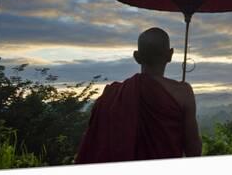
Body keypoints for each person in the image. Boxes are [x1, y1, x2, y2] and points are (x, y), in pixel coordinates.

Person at [75, 27, 202, 164]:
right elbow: (193, 151)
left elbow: (96, 144)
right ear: (170, 54)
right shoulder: (183, 92)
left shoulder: (112, 95)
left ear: (136, 57)